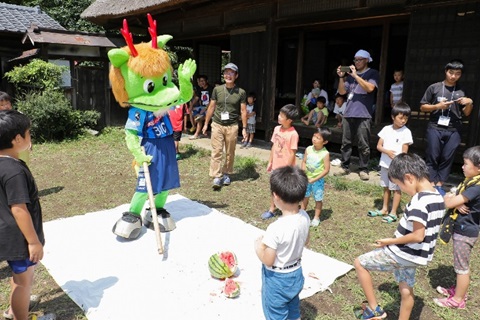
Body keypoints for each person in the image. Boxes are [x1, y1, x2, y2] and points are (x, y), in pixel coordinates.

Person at [354, 153, 445, 320]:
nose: (401, 190)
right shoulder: (437, 196)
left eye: (399, 185)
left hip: (403, 253)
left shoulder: (419, 201)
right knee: (406, 288)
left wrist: (390, 241)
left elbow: (418, 235)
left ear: (408, 178)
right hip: (417, 256)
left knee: (359, 263)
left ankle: (375, 310)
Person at [0, 110, 51, 320]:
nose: (30, 138)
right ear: (18, 138)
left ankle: (14, 311)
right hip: (19, 238)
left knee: (19, 277)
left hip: (9, 235)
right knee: (24, 282)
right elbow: (18, 208)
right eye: (29, 133)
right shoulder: (14, 171)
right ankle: (20, 317)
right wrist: (33, 242)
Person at [254, 165, 310, 320]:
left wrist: (258, 246)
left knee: (276, 314)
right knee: (292, 307)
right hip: (296, 273)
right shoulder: (305, 216)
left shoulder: (276, 227)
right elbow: (306, 241)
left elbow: (269, 260)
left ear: (275, 196)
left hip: (277, 279)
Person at [433, 146, 480, 309]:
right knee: (460, 264)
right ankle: (458, 291)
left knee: (462, 268)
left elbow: (448, 201)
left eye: (466, 164)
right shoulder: (470, 182)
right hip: (463, 228)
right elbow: (452, 197)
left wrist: (453, 200)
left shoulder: (476, 187)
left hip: (465, 232)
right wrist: (456, 200)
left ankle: (458, 300)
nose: (462, 166)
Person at [420, 59, 474, 196]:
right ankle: (431, 184)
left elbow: (467, 113)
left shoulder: (462, 90)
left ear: (460, 75)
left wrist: (469, 103)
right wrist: (437, 106)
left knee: (447, 157)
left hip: (454, 128)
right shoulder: (435, 87)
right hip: (435, 125)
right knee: (433, 155)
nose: (453, 76)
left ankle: (439, 185)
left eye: (457, 73)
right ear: (446, 71)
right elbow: (423, 107)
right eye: (451, 72)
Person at [335, 49, 379, 181]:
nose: (357, 62)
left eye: (360, 59)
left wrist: (355, 76)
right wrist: (342, 77)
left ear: (366, 60)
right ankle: (345, 166)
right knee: (346, 142)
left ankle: (364, 168)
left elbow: (370, 88)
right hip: (348, 113)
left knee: (363, 143)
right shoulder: (349, 76)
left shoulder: (373, 73)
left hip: (364, 114)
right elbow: (342, 92)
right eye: (355, 59)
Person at [202, 63, 247, 189]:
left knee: (230, 151)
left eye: (231, 73)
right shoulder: (217, 90)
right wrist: (206, 124)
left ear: (236, 75)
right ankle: (217, 176)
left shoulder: (241, 92)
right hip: (217, 124)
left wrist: (244, 128)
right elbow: (211, 107)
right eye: (226, 72)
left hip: (232, 125)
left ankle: (226, 173)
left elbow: (243, 111)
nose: (228, 75)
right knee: (216, 150)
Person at [368, 102, 413, 223]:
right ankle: (384, 209)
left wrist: (400, 162)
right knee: (386, 187)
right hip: (384, 163)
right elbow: (379, 146)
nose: (403, 121)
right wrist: (387, 152)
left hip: (397, 166)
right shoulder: (386, 129)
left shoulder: (406, 132)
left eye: (406, 118)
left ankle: (393, 212)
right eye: (401, 118)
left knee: (396, 189)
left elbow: (404, 151)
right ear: (393, 117)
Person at [261, 104, 299, 219]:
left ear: (289, 120)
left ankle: (288, 210)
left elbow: (292, 153)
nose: (279, 117)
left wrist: (287, 168)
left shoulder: (293, 134)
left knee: (286, 190)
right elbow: (274, 146)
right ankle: (272, 209)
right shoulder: (277, 129)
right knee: (274, 188)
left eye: (282, 116)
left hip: (286, 168)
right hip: (275, 166)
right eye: (279, 114)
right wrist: (270, 161)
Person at [301, 127, 331, 227]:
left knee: (318, 199)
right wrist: (303, 173)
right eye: (314, 136)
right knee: (305, 197)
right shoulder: (308, 149)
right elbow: (304, 161)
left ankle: (316, 217)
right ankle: (301, 214)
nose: (314, 139)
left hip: (318, 181)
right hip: (307, 178)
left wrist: (314, 179)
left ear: (325, 141)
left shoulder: (325, 154)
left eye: (318, 138)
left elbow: (326, 170)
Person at [189, 75, 214, 140]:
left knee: (199, 118)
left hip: (210, 108)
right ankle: (201, 131)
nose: (201, 82)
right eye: (200, 81)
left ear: (207, 81)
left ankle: (197, 134)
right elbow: (197, 98)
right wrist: (191, 106)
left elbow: (212, 101)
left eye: (203, 81)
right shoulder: (200, 89)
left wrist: (205, 108)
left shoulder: (211, 89)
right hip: (202, 107)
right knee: (196, 115)